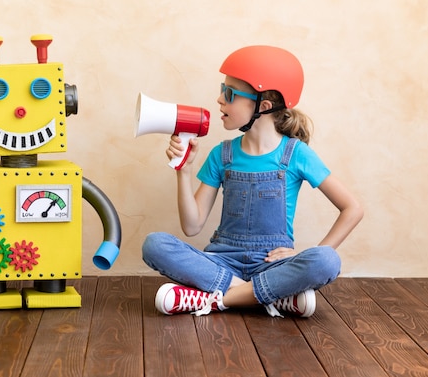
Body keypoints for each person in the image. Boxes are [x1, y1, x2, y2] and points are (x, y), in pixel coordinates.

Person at [142, 45, 363, 318]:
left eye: (230, 94)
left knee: (326, 260)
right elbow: (192, 225)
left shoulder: (296, 155)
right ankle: (270, 296)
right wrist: (183, 172)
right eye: (223, 90)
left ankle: (215, 298)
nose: (220, 99)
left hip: (272, 265)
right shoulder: (221, 154)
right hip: (221, 262)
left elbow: (352, 208)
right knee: (155, 244)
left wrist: (311, 251)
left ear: (263, 106)